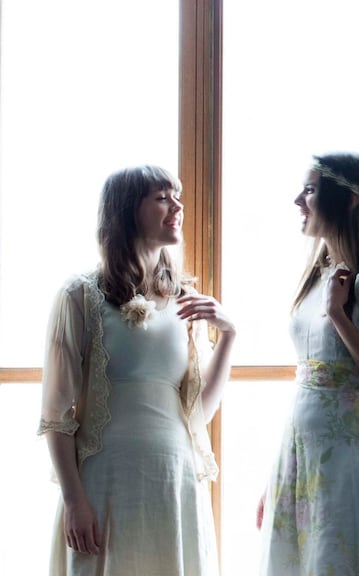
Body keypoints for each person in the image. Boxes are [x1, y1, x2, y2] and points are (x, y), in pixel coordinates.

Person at [38, 165, 236, 575]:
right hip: (105, 483)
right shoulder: (80, 295)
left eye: (177, 196)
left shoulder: (186, 301)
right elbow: (57, 418)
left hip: (174, 481)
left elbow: (196, 412)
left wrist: (229, 335)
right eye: (163, 197)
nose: (178, 206)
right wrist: (75, 502)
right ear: (127, 210)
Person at [257, 152, 359, 575]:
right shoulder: (317, 271)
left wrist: (338, 315)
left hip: (352, 456)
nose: (299, 200)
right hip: (302, 451)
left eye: (311, 190)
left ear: (349, 201)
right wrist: (277, 473)